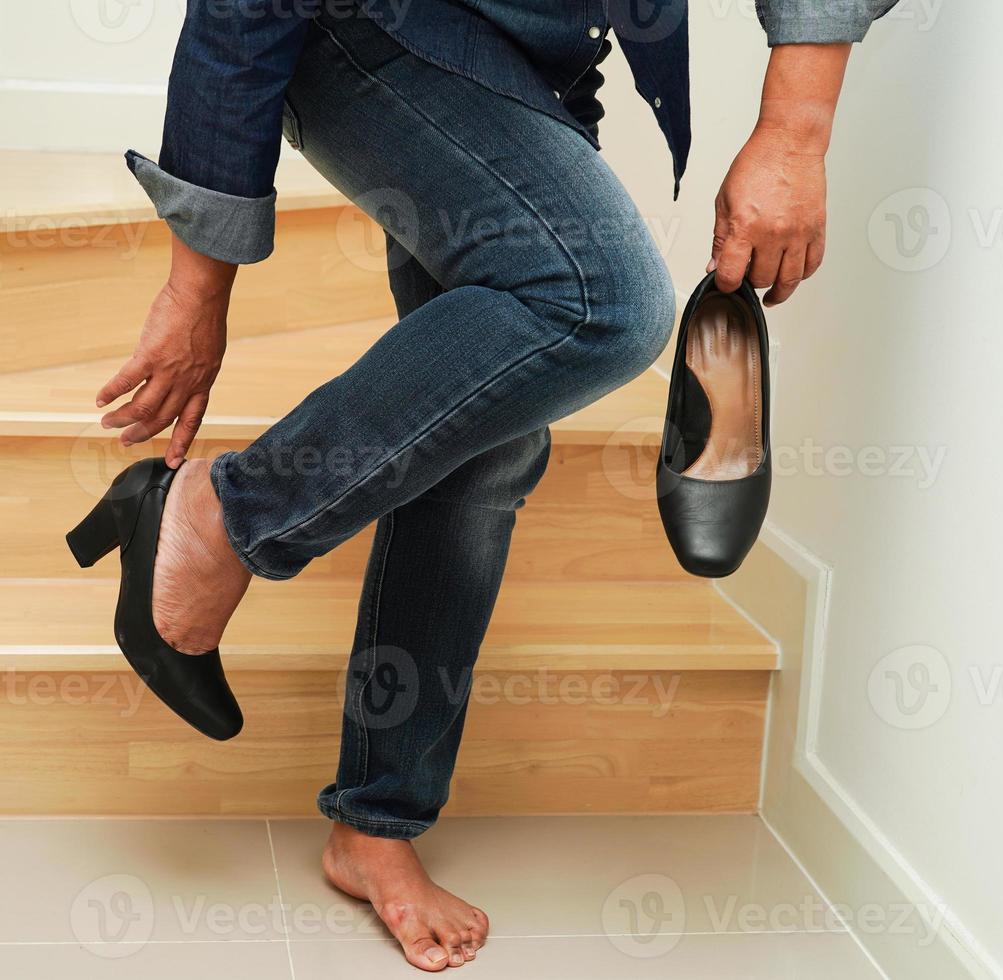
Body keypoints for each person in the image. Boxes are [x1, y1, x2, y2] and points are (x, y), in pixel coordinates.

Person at [93, 0, 892, 970]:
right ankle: (225, 513)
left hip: (536, 51)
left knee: (488, 428)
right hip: (364, 22)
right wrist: (196, 285)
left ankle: (374, 821)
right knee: (598, 296)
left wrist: (794, 127)